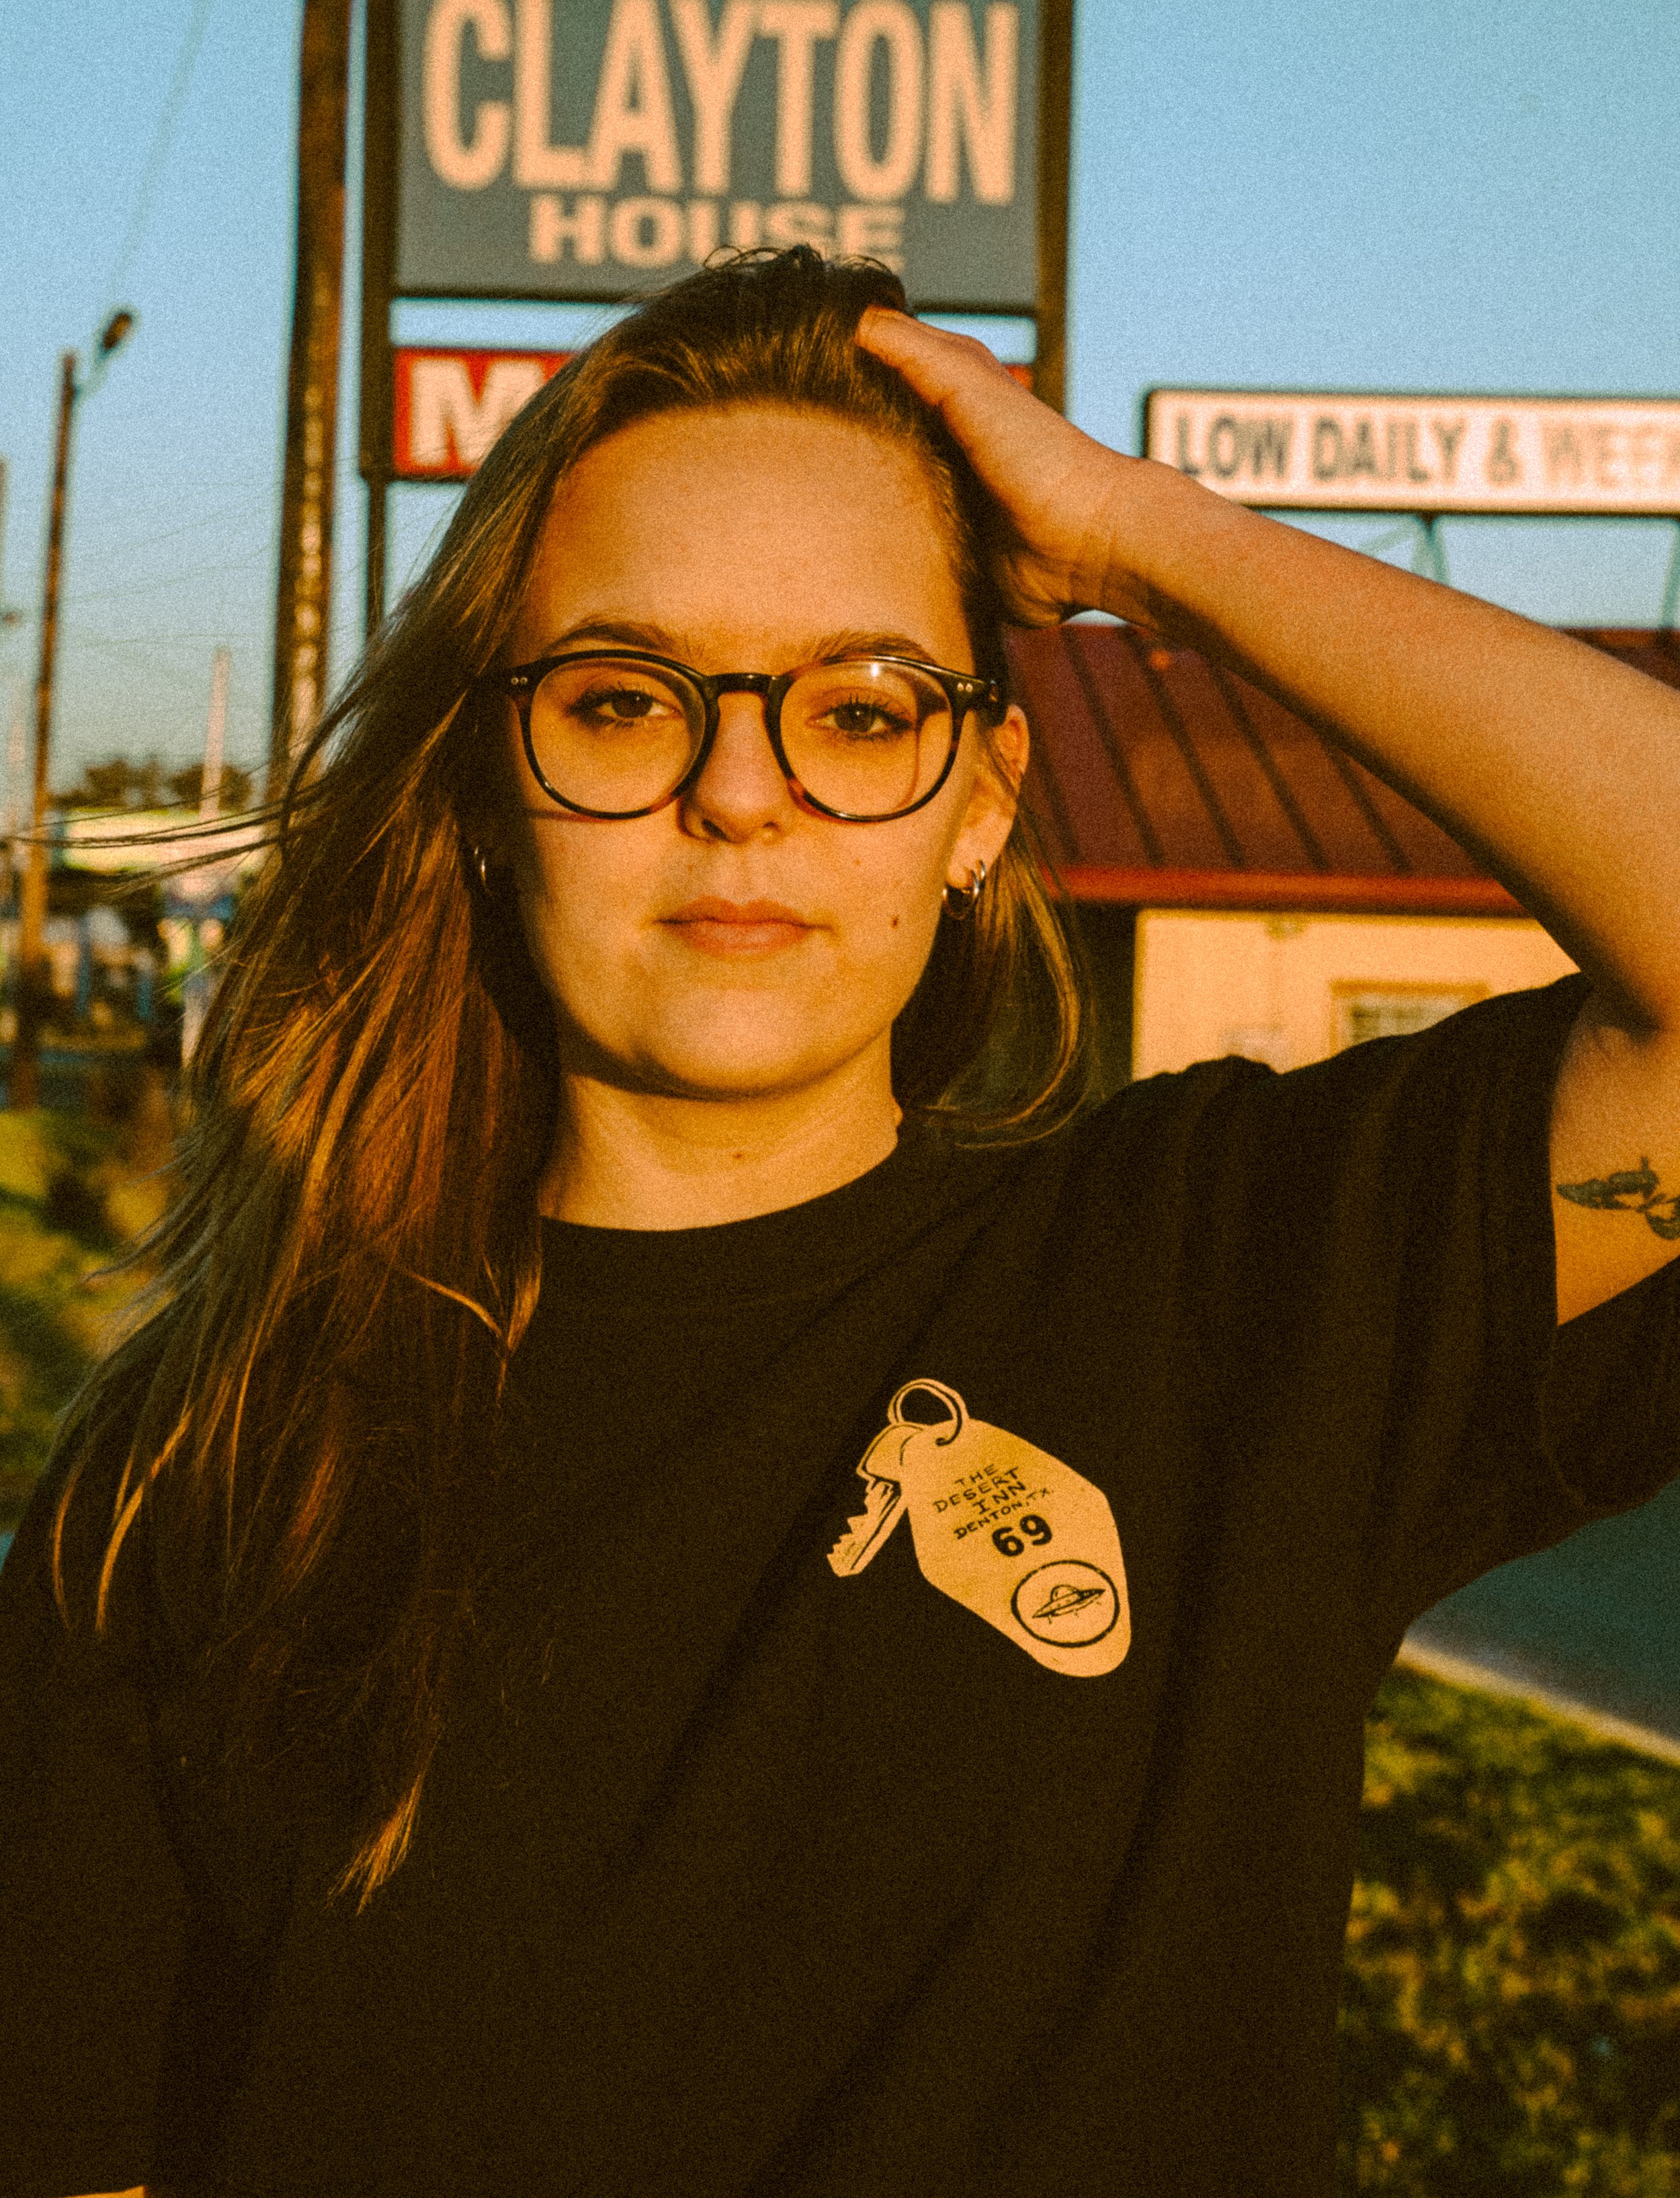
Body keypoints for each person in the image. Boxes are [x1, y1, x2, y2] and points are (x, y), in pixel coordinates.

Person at [2, 247, 1677, 2198]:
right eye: (621, 701)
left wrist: (1138, 536)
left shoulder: (1219, 1281)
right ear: (480, 784)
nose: (741, 792)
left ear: (983, 798)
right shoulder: (204, 1465)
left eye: (862, 711)